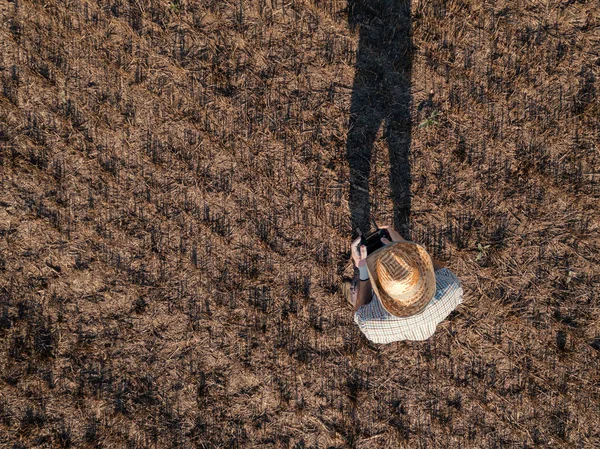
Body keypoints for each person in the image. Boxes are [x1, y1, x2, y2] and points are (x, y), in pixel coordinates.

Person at [342, 226, 464, 343]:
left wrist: (363, 271)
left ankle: (357, 289)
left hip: (388, 319)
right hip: (426, 319)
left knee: (358, 291)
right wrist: (404, 245)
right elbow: (438, 268)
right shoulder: (451, 287)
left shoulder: (372, 324)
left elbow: (360, 312)